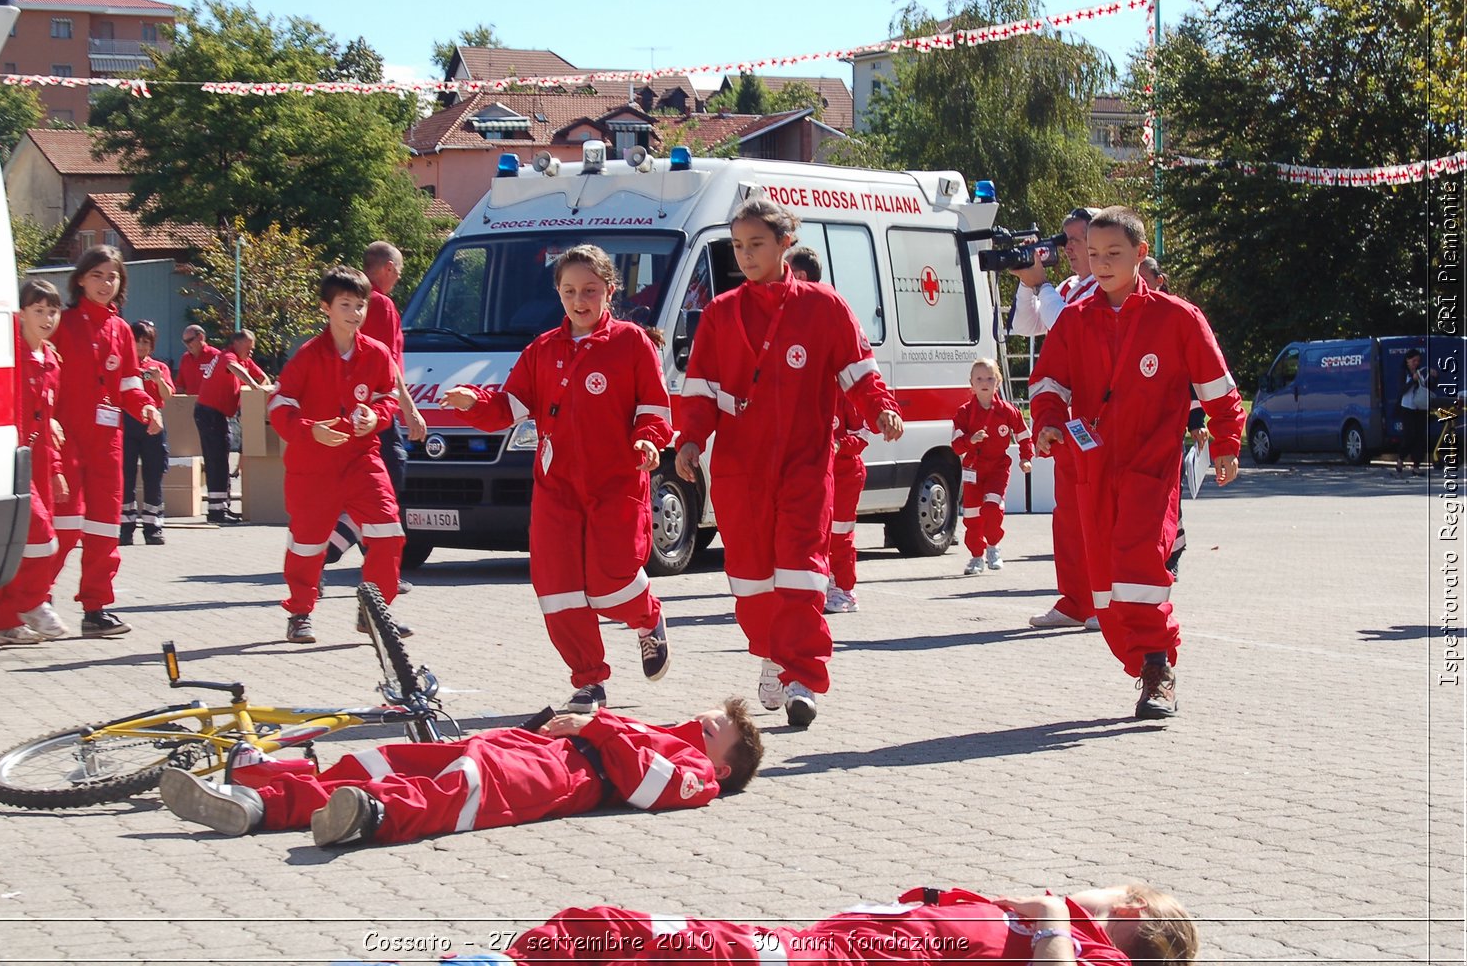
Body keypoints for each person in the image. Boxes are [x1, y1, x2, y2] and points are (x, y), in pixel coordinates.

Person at [675, 198, 903, 729]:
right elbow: (701, 390)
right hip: (739, 469)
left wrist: (882, 409)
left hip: (805, 464)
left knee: (802, 574)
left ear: (785, 245)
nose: (747, 255)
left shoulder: (825, 307)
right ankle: (771, 652)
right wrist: (689, 441)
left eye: (757, 244)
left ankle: (803, 677)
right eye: (738, 246)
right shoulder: (720, 312)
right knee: (752, 582)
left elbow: (859, 374)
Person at [1029, 207, 1245, 719]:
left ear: (1140, 254)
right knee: (1105, 585)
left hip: (1152, 466)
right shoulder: (1075, 320)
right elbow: (1047, 383)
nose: (1101, 264)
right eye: (1094, 253)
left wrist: (1226, 443)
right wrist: (1049, 422)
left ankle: (1157, 669)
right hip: (1091, 467)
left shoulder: (1178, 318)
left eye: (1114, 254)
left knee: (1139, 563)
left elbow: (1218, 388)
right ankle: (1142, 660)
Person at [445, 245, 676, 712]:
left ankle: (647, 618)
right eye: (569, 291)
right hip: (556, 489)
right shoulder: (543, 349)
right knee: (558, 587)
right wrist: (472, 401)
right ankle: (589, 681)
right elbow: (508, 406)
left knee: (610, 581)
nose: (579, 300)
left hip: (615, 484)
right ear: (558, 293)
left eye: (590, 290)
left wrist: (649, 441)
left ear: (610, 291)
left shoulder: (632, 343)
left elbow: (655, 409)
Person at [157, 699, 764, 848]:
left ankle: (371, 817)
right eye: (706, 718)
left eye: (714, 732)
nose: (699, 725)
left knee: (461, 792)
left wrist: (595, 726)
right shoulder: (664, 735)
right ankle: (259, 800)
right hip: (531, 747)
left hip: (570, 779)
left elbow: (649, 787)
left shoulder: (698, 776)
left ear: (723, 767)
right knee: (389, 758)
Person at [450, 882, 1197, 966]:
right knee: (628, 929)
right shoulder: (1076, 923)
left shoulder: (1100, 958)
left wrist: (1049, 922)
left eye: (1138, 905)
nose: (1121, 899)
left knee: (695, 948)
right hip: (835, 943)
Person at [268, 266, 405, 644]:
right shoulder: (308, 356)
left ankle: (373, 610)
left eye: (360, 305)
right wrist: (309, 429)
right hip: (313, 467)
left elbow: (387, 398)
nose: (355, 313)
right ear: (325, 308)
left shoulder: (376, 354)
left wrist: (376, 417)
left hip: (363, 460)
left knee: (389, 532)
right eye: (345, 304)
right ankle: (299, 612)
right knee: (308, 543)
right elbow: (278, 404)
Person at [43, 246, 162, 638]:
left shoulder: (122, 330)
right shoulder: (63, 323)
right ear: (80, 279)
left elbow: (128, 383)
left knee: (104, 528)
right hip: (66, 438)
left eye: (113, 277)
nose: (105, 283)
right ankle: (37, 599)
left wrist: (145, 407)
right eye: (97, 275)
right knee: (65, 523)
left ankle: (96, 609)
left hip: (107, 442)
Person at [1008, 207, 1103, 632]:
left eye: (1076, 240)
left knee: (1098, 513)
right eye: (1065, 241)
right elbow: (1026, 325)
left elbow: (1068, 328)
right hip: (1066, 417)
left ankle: (1104, 602)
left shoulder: (1101, 290)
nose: (1068, 249)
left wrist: (1042, 285)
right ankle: (1075, 600)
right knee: (1067, 514)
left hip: (1098, 416)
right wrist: (1027, 282)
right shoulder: (1067, 285)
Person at [323, 242, 429, 593]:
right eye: (397, 269)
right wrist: (409, 410)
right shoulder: (379, 304)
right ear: (386, 267)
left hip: (357, 410)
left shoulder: (355, 304)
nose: (398, 276)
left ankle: (378, 571)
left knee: (373, 491)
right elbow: (385, 363)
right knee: (386, 486)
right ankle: (328, 551)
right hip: (375, 413)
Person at [784, 245, 869, 615]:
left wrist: (837, 445)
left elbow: (863, 431)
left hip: (845, 471)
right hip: (813, 470)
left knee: (840, 532)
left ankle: (844, 589)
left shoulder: (845, 380)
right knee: (810, 534)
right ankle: (819, 587)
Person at [0, 280, 71, 645]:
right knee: (41, 537)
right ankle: (32, 602)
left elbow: (46, 415)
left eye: (52, 310)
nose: (47, 317)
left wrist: (54, 470)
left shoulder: (51, 359)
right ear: (20, 314)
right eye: (38, 310)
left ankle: (5, 623)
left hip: (37, 459)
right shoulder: (10, 355)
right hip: (9, 457)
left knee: (21, 544)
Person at [1138, 257, 1207, 579]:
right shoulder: (1125, 317)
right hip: (1133, 426)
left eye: (1143, 277)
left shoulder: (1173, 317)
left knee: (1169, 494)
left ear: (1159, 279)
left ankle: (1173, 552)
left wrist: (1197, 423)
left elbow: (1191, 378)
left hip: (1167, 427)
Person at [951, 357, 1033, 575]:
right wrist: (971, 440)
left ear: (998, 381)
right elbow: (956, 445)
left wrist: (1026, 458)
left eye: (989, 377)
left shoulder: (1008, 411)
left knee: (992, 508)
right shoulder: (963, 413)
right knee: (971, 517)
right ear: (971, 383)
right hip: (973, 470)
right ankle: (976, 557)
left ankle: (993, 547)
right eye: (979, 378)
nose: (984, 382)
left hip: (998, 468)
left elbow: (1025, 436)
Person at [195, 329, 272, 524]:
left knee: (221, 459)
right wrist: (254, 386)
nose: (251, 352)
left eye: (252, 348)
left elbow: (262, 376)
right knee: (217, 460)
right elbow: (235, 368)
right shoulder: (228, 356)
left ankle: (222, 507)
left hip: (217, 415)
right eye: (248, 347)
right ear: (236, 343)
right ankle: (216, 511)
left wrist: (267, 389)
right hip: (209, 413)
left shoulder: (243, 360)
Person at [120, 320, 173, 546]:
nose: (141, 347)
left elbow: (168, 395)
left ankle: (153, 528)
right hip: (127, 423)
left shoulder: (159, 367)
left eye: (146, 342)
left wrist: (158, 379)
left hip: (153, 426)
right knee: (125, 477)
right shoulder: (122, 365)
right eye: (137, 341)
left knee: (153, 476)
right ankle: (125, 527)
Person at [1397, 347, 1436, 476]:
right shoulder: (1404, 372)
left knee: (1420, 436)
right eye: (1413, 361)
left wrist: (1434, 377)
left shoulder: (1421, 372)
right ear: (1408, 361)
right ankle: (1401, 458)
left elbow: (1428, 388)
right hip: (1407, 407)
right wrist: (1412, 381)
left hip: (1420, 408)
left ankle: (1416, 465)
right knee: (1409, 435)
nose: (1416, 363)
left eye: (1418, 361)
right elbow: (1401, 390)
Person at [173, 324, 219, 396]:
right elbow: (180, 385)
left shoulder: (216, 356)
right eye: (185, 342)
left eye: (189, 340)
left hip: (212, 404)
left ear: (201, 337)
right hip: (191, 404)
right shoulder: (185, 358)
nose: (187, 345)